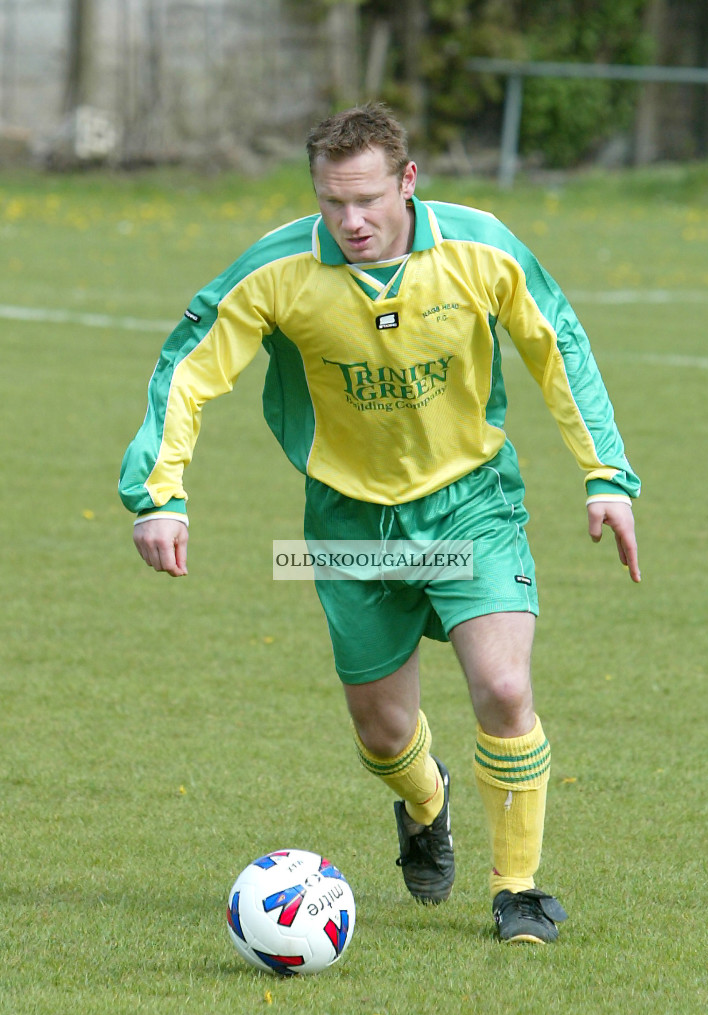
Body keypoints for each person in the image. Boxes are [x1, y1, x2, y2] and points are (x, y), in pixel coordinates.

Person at [119, 102, 641, 945]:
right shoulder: (279, 269)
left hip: (471, 501)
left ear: (407, 180)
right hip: (347, 521)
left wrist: (605, 476)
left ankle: (518, 891)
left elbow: (560, 345)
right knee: (382, 731)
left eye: (366, 200)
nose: (350, 222)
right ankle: (425, 803)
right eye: (332, 202)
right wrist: (160, 492)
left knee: (504, 689)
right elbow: (189, 367)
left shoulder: (480, 247)